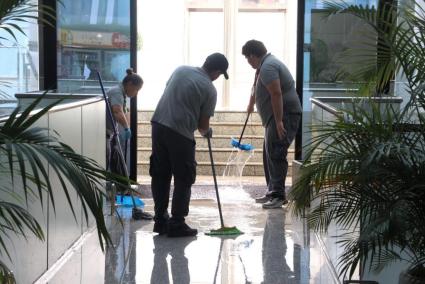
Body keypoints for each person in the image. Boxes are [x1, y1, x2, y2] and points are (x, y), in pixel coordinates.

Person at [150, 53, 229, 237]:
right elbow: (202, 125)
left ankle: (160, 220)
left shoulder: (180, 70)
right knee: (184, 177)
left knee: (160, 174)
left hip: (158, 125)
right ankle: (177, 223)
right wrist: (206, 132)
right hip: (180, 133)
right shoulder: (210, 89)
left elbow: (171, 93)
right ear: (217, 72)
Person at [242, 39, 302, 209]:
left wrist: (279, 121)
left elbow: (276, 93)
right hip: (274, 119)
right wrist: (251, 104)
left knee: (276, 153)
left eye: (248, 58)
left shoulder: (268, 66)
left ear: (253, 55)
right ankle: (272, 192)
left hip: (285, 116)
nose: (248, 62)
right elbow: (256, 88)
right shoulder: (264, 66)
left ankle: (278, 195)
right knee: (268, 154)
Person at [106, 68, 143, 174]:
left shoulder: (121, 93)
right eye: (136, 89)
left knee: (114, 162)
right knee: (106, 163)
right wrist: (126, 128)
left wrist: (128, 127)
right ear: (130, 84)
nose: (136, 93)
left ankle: (118, 187)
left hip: (110, 133)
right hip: (104, 133)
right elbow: (117, 111)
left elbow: (124, 112)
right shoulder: (117, 92)